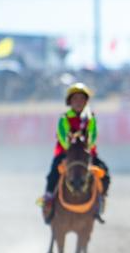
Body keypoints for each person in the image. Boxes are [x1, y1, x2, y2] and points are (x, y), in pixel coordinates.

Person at [41, 83, 110, 223]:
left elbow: (93, 135)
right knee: (53, 174)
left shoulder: (90, 118)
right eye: (75, 99)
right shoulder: (64, 118)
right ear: (70, 102)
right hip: (66, 153)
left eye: (81, 99)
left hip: (87, 153)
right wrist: (71, 148)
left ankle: (99, 200)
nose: (78, 102)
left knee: (105, 172)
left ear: (86, 102)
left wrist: (86, 147)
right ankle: (49, 202)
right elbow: (61, 135)